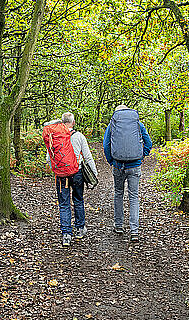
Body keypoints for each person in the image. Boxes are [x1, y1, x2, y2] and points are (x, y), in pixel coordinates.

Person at [46, 112, 98, 247]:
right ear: (73, 122)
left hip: (61, 175)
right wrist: (95, 173)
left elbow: (48, 158)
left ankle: (66, 235)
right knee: (78, 199)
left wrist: (57, 168)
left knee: (64, 203)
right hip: (77, 173)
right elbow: (87, 156)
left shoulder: (55, 136)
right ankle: (80, 229)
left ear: (62, 123)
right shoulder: (79, 136)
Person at [103, 105, 152, 242]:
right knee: (134, 196)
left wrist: (111, 160)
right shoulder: (138, 123)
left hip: (118, 165)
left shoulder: (112, 124)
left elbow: (106, 144)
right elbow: (148, 142)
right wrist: (142, 156)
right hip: (134, 165)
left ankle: (119, 226)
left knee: (119, 193)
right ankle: (134, 231)